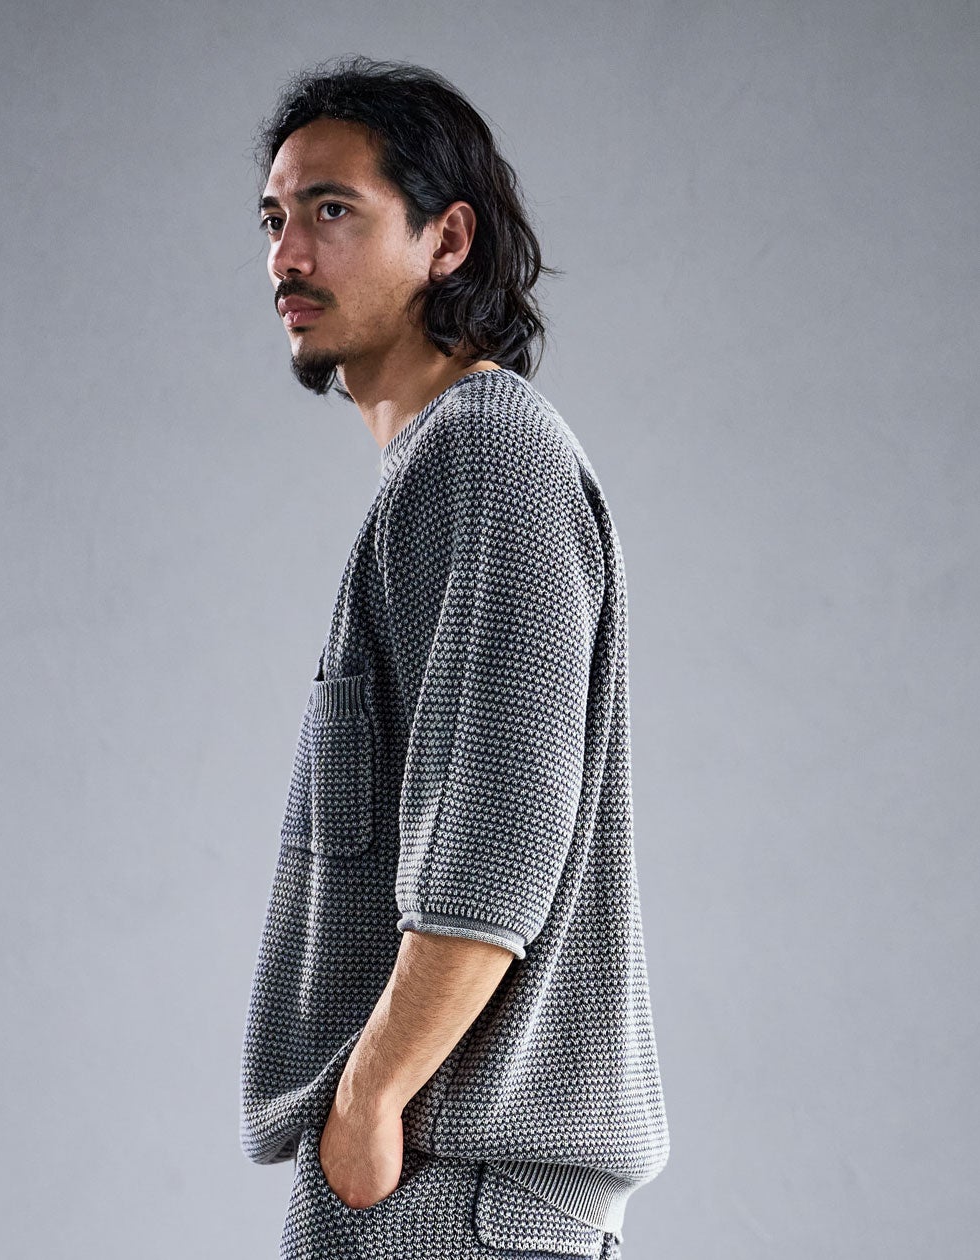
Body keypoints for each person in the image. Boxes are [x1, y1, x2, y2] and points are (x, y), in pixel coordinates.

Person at [239, 55, 670, 1260]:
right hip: (448, 1193)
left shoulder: (486, 454)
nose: (287, 256)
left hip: (449, 1197)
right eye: (274, 220)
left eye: (333, 210)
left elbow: (500, 820)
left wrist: (370, 1102)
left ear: (448, 239)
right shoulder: (450, 463)